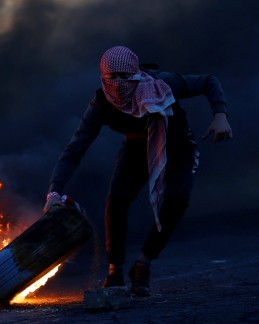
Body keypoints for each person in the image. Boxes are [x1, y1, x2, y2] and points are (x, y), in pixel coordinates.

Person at [44, 45, 232, 297]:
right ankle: (115, 271)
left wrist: (220, 114)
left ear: (137, 74)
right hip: (136, 149)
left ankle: (143, 264)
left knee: (178, 200)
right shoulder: (101, 104)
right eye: (113, 78)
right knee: (117, 199)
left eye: (126, 77)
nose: (120, 84)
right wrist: (54, 192)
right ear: (103, 78)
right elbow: (75, 149)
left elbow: (208, 81)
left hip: (176, 146)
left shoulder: (162, 85)